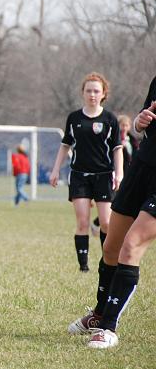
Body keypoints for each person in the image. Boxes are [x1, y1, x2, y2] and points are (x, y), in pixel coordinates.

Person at [67, 75, 156, 349]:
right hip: (143, 167)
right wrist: (141, 122)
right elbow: (146, 123)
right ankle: (99, 314)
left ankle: (109, 327)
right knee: (111, 248)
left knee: (131, 246)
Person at [49, 73, 123, 272]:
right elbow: (65, 145)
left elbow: (117, 149)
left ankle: (107, 263)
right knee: (82, 222)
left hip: (104, 176)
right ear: (83, 93)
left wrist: (119, 173)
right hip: (79, 176)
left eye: (96, 91)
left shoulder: (110, 119)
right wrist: (55, 170)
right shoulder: (74, 118)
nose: (92, 94)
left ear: (103, 94)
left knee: (106, 223)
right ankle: (83, 266)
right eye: (88, 90)